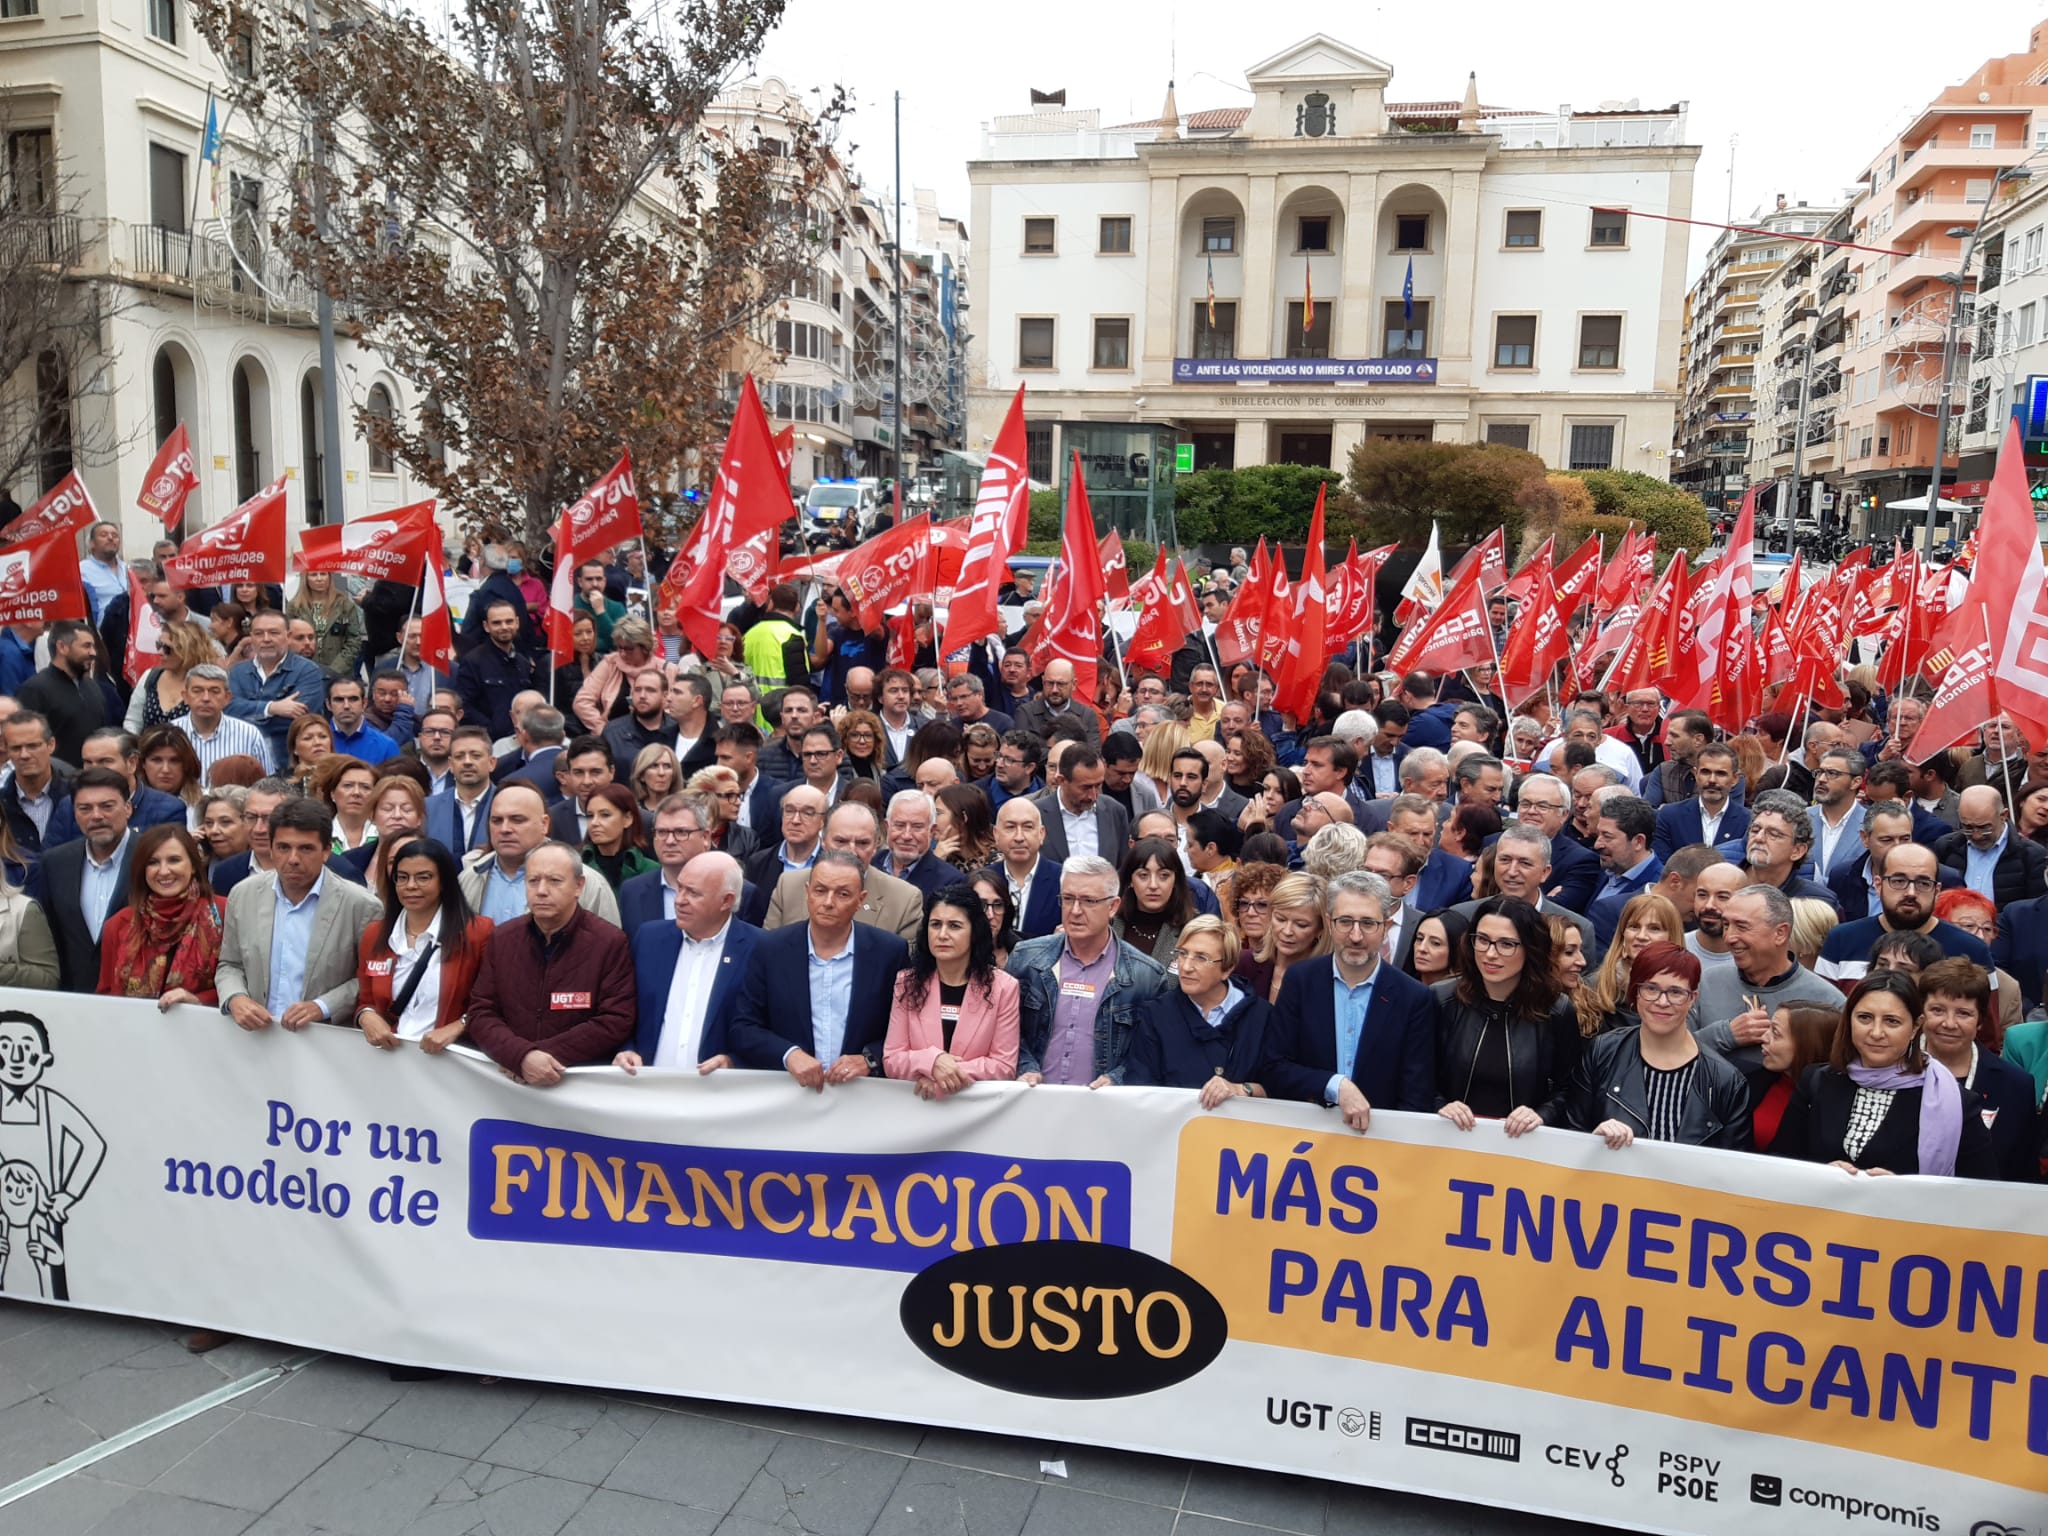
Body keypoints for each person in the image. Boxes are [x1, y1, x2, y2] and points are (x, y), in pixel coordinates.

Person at [1769, 971, 1996, 1177]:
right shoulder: (1818, 1080)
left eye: (1892, 1021)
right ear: (1849, 1020)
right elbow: (1778, 1164)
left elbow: (1980, 1190)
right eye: (1865, 1018)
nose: (1876, 1033)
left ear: (1916, 1027)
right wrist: (1819, 1174)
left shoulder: (1954, 1101)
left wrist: (1902, 1192)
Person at [1257, 870, 1437, 1128]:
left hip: (1378, 1143)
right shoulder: (1301, 981)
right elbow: (1274, 1066)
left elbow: (1416, 1094)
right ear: (1329, 923)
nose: (1355, 936)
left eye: (1368, 923)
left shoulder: (1413, 998)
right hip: (1305, 1138)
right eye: (1345, 922)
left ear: (1385, 927)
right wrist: (1335, 1086)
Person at [724, 850, 909, 1088]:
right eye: (820, 891)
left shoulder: (889, 952)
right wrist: (789, 1054)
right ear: (807, 892)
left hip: (862, 1096)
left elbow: (908, 1031)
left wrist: (870, 1059)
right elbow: (744, 1027)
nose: (829, 902)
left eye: (842, 894)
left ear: (860, 899)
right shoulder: (771, 949)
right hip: (789, 1094)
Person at [463, 842, 636, 1083]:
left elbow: (615, 1020)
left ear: (579, 886)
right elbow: (481, 1012)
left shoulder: (609, 942)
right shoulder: (502, 938)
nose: (541, 890)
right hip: (506, 1086)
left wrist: (539, 1057)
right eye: (533, 881)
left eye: (554, 881)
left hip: (578, 1084)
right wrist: (520, 1056)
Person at [215, 796, 382, 1032]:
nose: (293, 859)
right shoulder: (243, 895)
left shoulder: (361, 905)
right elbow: (230, 964)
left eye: (305, 848)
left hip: (324, 1043)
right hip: (256, 1039)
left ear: (326, 851)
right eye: (284, 847)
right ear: (271, 849)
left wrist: (322, 1006)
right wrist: (236, 998)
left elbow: (369, 979)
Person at [1566, 943, 1750, 1150]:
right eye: (1651, 989)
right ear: (1635, 992)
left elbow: (1733, 1168)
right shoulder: (1603, 1052)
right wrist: (1594, 1139)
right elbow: (1571, 1132)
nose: (1662, 1002)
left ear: (1693, 999)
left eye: (1675, 992)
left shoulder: (1724, 1080)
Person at [1005, 855, 1168, 1086]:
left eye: (1089, 901)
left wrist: (1116, 1078)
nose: (1075, 910)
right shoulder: (1026, 959)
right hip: (1034, 1102)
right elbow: (1005, 1032)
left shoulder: (1147, 976)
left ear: (1113, 906)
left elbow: (1150, 1052)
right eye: (1068, 899)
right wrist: (1027, 1068)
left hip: (1102, 1109)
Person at [1432, 896, 1583, 1137]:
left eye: (1506, 944)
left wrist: (1541, 1115)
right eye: (1482, 940)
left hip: (1520, 1148)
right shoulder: (1442, 999)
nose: (1490, 954)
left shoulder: (1556, 1010)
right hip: (1450, 1141)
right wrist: (1440, 1106)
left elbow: (1571, 1089)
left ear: (1531, 948)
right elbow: (1418, 1075)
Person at [1691, 883, 1847, 1098]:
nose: (1729, 937)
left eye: (1742, 926)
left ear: (1780, 933)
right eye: (1726, 925)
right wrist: (1725, 1034)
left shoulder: (1828, 1001)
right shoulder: (1706, 981)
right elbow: (1673, 1054)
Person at [619, 850, 760, 1073]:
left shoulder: (759, 948)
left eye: (693, 893)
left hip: (719, 1095)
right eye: (680, 888)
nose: (679, 900)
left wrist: (734, 1061)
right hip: (648, 1090)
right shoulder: (649, 939)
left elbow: (766, 1028)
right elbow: (624, 1009)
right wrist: (626, 1049)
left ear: (726, 901)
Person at [351, 837, 492, 1052]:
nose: (411, 886)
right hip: (389, 1057)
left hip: (448, 1062)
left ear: (444, 881)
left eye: (423, 878)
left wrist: (459, 1026)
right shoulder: (375, 934)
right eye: (402, 878)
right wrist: (366, 1016)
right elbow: (365, 999)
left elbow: (492, 1004)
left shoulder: (478, 933)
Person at [884, 884, 1021, 1098]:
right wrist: (932, 1062)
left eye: (954, 926)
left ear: (974, 932)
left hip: (977, 1112)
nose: (942, 934)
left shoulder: (1004, 987)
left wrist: (944, 1075)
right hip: (918, 1108)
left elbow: (1004, 1066)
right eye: (936, 924)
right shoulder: (906, 982)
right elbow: (892, 1060)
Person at [1125, 915, 1272, 1104]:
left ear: (1227, 968)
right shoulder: (1156, 1015)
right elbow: (1140, 1088)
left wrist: (1243, 1089)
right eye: (1182, 953)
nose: (1185, 967)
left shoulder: (1262, 1016)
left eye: (1201, 958)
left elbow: (1279, 1085)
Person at [1914, 957, 2038, 1182]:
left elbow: (2024, 1173)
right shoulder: (1892, 1071)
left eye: (1963, 1013)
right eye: (1938, 1010)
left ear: (1981, 1020)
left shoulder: (2016, 1086)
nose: (1949, 1023)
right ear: (1921, 1014)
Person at [1815, 841, 1992, 987]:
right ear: (1878, 885)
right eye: (1899, 881)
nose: (1911, 893)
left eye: (1923, 883)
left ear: (1937, 890)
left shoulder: (1972, 950)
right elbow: (1825, 1019)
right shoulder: (1842, 940)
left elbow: (1985, 1027)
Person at [26, 768, 133, 993]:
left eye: (107, 806)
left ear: (128, 808)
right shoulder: (55, 862)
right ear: (74, 814)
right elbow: (51, 934)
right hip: (74, 999)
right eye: (85, 808)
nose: (96, 816)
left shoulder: (153, 857)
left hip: (140, 1000)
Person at [94, 824, 224, 1005]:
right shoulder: (118, 924)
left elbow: (242, 987)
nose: (163, 871)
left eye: (174, 860)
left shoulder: (224, 914)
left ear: (194, 865)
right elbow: (106, 996)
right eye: (153, 862)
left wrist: (196, 1001)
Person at [460, 782, 621, 926]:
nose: (505, 829)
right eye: (497, 820)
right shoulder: (469, 877)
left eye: (517, 819)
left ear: (544, 824)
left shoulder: (587, 883)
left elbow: (607, 950)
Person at [759, 802, 923, 941]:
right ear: (823, 841)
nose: (851, 851)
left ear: (875, 847)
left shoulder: (904, 900)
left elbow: (904, 971)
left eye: (862, 843)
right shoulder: (788, 886)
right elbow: (769, 953)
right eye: (841, 841)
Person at [1935, 785, 2048, 907]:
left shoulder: (2032, 855)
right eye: (1968, 827)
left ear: (2003, 816)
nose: (1976, 835)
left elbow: (2034, 909)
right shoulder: (1946, 846)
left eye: (1984, 828)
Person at [1586, 890, 1684, 1029]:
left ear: (1672, 937)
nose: (1642, 936)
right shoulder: (1591, 989)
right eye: (1634, 927)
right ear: (1622, 934)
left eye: (1654, 929)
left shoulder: (1689, 990)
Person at [1751, 1004, 1841, 1153]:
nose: (1764, 1038)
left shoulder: (1834, 1103)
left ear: (1807, 1045)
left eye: (1776, 1033)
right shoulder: (1751, 1082)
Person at [16, 620, 107, 767]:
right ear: (62, 647)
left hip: (93, 779)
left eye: (93, 646)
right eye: (86, 646)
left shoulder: (93, 688)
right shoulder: (34, 690)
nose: (93, 653)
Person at [1237, 871, 1328, 1005]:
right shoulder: (1243, 964)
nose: (1287, 931)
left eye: (1301, 925)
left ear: (1320, 929)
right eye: (1280, 919)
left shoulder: (1326, 982)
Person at [1588, 794, 1662, 951]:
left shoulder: (1655, 889)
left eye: (1607, 837)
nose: (1597, 844)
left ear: (1638, 842)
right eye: (1598, 834)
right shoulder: (1606, 869)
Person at [1111, 836, 1197, 966]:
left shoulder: (1194, 929)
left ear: (1175, 881)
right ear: (1130, 881)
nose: (1153, 885)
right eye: (1143, 875)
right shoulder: (1108, 925)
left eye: (1164, 876)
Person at [124, 620, 215, 735]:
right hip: (147, 750)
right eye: (159, 645)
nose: (160, 652)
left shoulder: (208, 683)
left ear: (187, 651)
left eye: (168, 649)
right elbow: (132, 722)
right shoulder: (151, 677)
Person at [424, 725, 497, 854]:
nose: (467, 762)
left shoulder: (507, 803)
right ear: (451, 765)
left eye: (476, 756)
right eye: (459, 756)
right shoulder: (428, 807)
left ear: (492, 763)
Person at [284, 570, 366, 677]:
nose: (319, 579)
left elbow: (354, 641)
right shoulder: (294, 606)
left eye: (323, 574)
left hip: (338, 672)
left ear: (329, 577)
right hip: (304, 670)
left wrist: (335, 669)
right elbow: (289, 639)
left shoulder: (344, 604)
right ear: (305, 579)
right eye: (313, 574)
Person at [581, 782, 658, 894]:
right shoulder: (576, 868)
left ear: (627, 819)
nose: (594, 823)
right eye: (590, 816)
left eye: (605, 815)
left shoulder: (651, 870)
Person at [876, 789, 951, 899]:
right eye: (900, 825)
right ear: (887, 827)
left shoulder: (949, 881)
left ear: (932, 831)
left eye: (917, 827)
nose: (907, 836)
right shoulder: (868, 866)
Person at [312, 756, 378, 853]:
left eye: (365, 787)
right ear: (332, 793)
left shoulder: (385, 835)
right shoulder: (317, 835)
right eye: (348, 786)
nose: (356, 793)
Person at [325, 678, 398, 765]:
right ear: (328, 704)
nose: (346, 706)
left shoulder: (386, 746)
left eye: (353, 699)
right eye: (339, 700)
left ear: (364, 703)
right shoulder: (315, 744)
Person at [931, 783, 995, 876]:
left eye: (938, 813)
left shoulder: (998, 861)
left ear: (963, 818)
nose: (931, 820)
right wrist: (935, 863)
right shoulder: (934, 853)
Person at [1405, 909, 1467, 989]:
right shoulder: (1400, 987)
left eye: (1435, 943)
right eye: (1420, 939)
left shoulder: (1465, 998)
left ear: (1456, 950)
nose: (1422, 948)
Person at [628, 742, 681, 813]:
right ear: (641, 775)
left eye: (667, 766)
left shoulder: (684, 810)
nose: (661, 773)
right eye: (654, 766)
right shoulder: (632, 811)